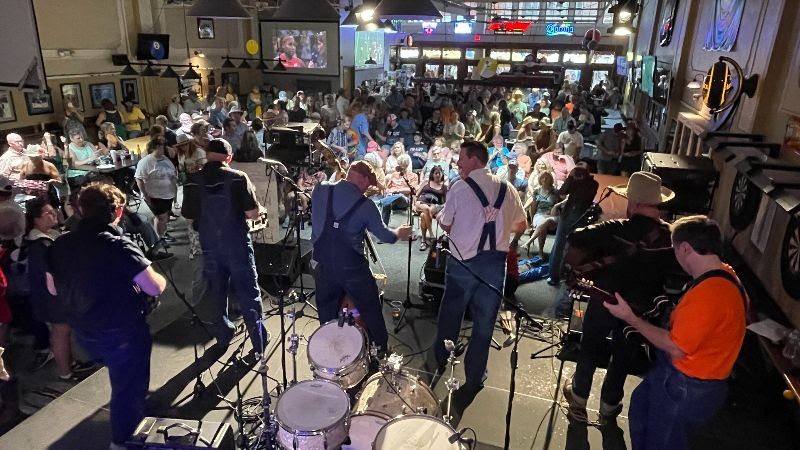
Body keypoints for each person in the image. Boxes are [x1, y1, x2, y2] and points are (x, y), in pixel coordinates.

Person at [605, 216, 746, 450]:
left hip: (686, 386)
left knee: (661, 442)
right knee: (641, 408)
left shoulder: (709, 295)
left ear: (686, 248)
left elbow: (676, 346)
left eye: (675, 250)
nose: (675, 257)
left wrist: (630, 318)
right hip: (699, 381)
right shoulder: (728, 274)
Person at [46, 182, 166, 449]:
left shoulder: (60, 244)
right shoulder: (117, 246)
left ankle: (136, 407)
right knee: (126, 388)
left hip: (85, 331)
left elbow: (52, 288)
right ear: (116, 212)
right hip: (122, 331)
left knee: (123, 380)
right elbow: (153, 286)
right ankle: (122, 442)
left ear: (80, 210)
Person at [562, 172, 684, 426]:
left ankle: (579, 400)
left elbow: (575, 236)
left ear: (636, 203)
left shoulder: (615, 229)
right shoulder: (672, 239)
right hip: (641, 310)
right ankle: (609, 407)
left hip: (606, 299)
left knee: (590, 346)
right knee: (623, 354)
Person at [432, 140, 527, 417]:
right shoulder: (507, 189)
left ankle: (443, 359)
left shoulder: (460, 188)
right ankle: (474, 378)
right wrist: (499, 227)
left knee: (452, 313)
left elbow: (446, 223)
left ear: (475, 159)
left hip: (462, 263)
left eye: (461, 157)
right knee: (484, 324)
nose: (458, 163)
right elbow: (522, 224)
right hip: (493, 266)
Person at [311, 159, 412, 355]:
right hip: (351, 269)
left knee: (326, 309)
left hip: (323, 264)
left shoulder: (320, 190)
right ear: (364, 180)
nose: (368, 189)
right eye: (369, 184)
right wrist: (399, 232)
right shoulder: (367, 206)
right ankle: (381, 350)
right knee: (370, 306)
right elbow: (385, 237)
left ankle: (329, 353)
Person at [184, 138, 269, 351]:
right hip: (237, 245)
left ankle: (223, 335)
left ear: (207, 154)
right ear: (229, 158)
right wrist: (259, 207)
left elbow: (188, 215)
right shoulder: (238, 177)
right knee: (249, 292)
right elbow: (252, 213)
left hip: (210, 246)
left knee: (217, 292)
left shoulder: (192, 180)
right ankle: (258, 340)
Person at [546, 163, 598, 286]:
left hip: (579, 216)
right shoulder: (573, 180)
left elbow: (587, 197)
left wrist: (580, 180)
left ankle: (567, 273)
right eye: (578, 166)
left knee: (572, 246)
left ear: (588, 170)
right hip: (567, 214)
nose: (579, 169)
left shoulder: (593, 183)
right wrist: (570, 177)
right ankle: (554, 276)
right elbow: (562, 192)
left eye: (582, 167)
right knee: (559, 244)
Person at [135, 137, 177, 239]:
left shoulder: (165, 159)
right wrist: (145, 195)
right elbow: (139, 179)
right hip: (154, 195)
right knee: (161, 217)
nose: (163, 149)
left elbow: (172, 173)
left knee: (165, 217)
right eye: (161, 147)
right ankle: (160, 238)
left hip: (168, 194)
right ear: (155, 147)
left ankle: (162, 233)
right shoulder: (145, 162)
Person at [522, 171, 559, 257]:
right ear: (540, 179)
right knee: (542, 223)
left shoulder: (555, 192)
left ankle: (529, 243)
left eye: (547, 177)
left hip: (551, 216)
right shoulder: (536, 191)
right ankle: (540, 251)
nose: (545, 179)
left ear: (551, 179)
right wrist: (532, 220)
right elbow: (534, 207)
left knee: (546, 221)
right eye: (543, 177)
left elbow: (559, 206)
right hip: (539, 214)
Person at [416, 164, 447, 251]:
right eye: (436, 173)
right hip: (421, 202)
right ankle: (431, 233)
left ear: (442, 174)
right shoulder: (426, 182)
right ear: (432, 174)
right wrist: (414, 203)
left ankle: (423, 240)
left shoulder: (444, 187)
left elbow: (446, 201)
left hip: (434, 205)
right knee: (426, 209)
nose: (437, 175)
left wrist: (440, 207)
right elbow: (417, 194)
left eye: (439, 173)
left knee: (423, 215)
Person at [379, 154, 416, 226]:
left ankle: (380, 202)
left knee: (399, 196)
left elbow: (411, 190)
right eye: (399, 164)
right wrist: (389, 192)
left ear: (406, 165)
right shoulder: (394, 175)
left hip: (404, 201)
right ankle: (383, 226)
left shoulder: (413, 176)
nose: (399, 166)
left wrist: (397, 191)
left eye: (401, 164)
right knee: (387, 202)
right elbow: (387, 188)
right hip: (392, 200)